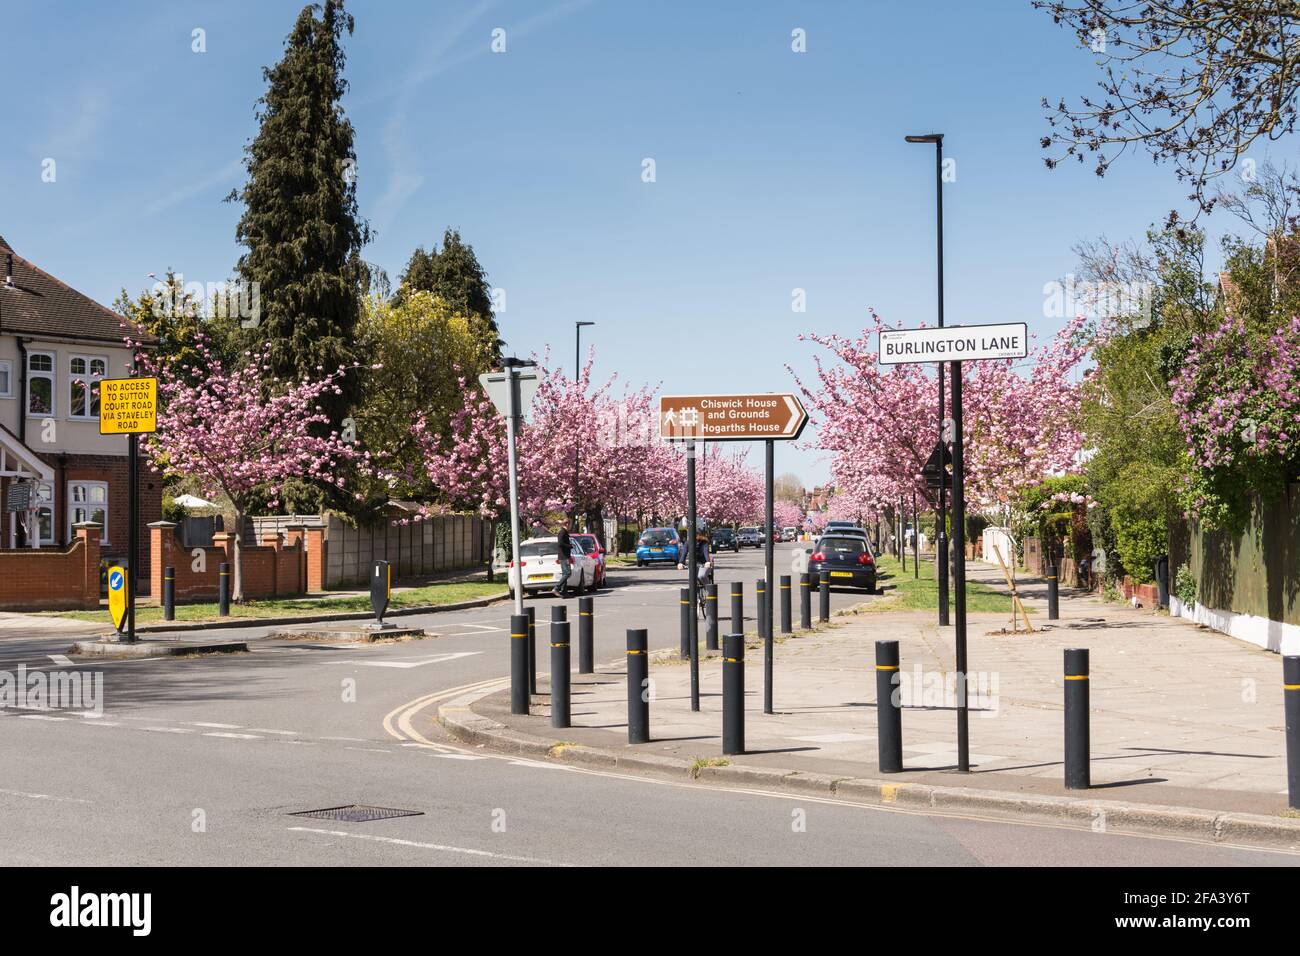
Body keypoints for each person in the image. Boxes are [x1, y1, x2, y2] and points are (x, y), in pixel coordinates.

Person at [555, 520, 573, 597]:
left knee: (565, 573)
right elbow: (560, 543)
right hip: (564, 556)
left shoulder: (564, 532)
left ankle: (564, 592)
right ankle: (556, 588)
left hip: (564, 556)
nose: (571, 526)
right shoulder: (562, 532)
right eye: (570, 524)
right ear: (567, 524)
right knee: (568, 573)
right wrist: (569, 546)